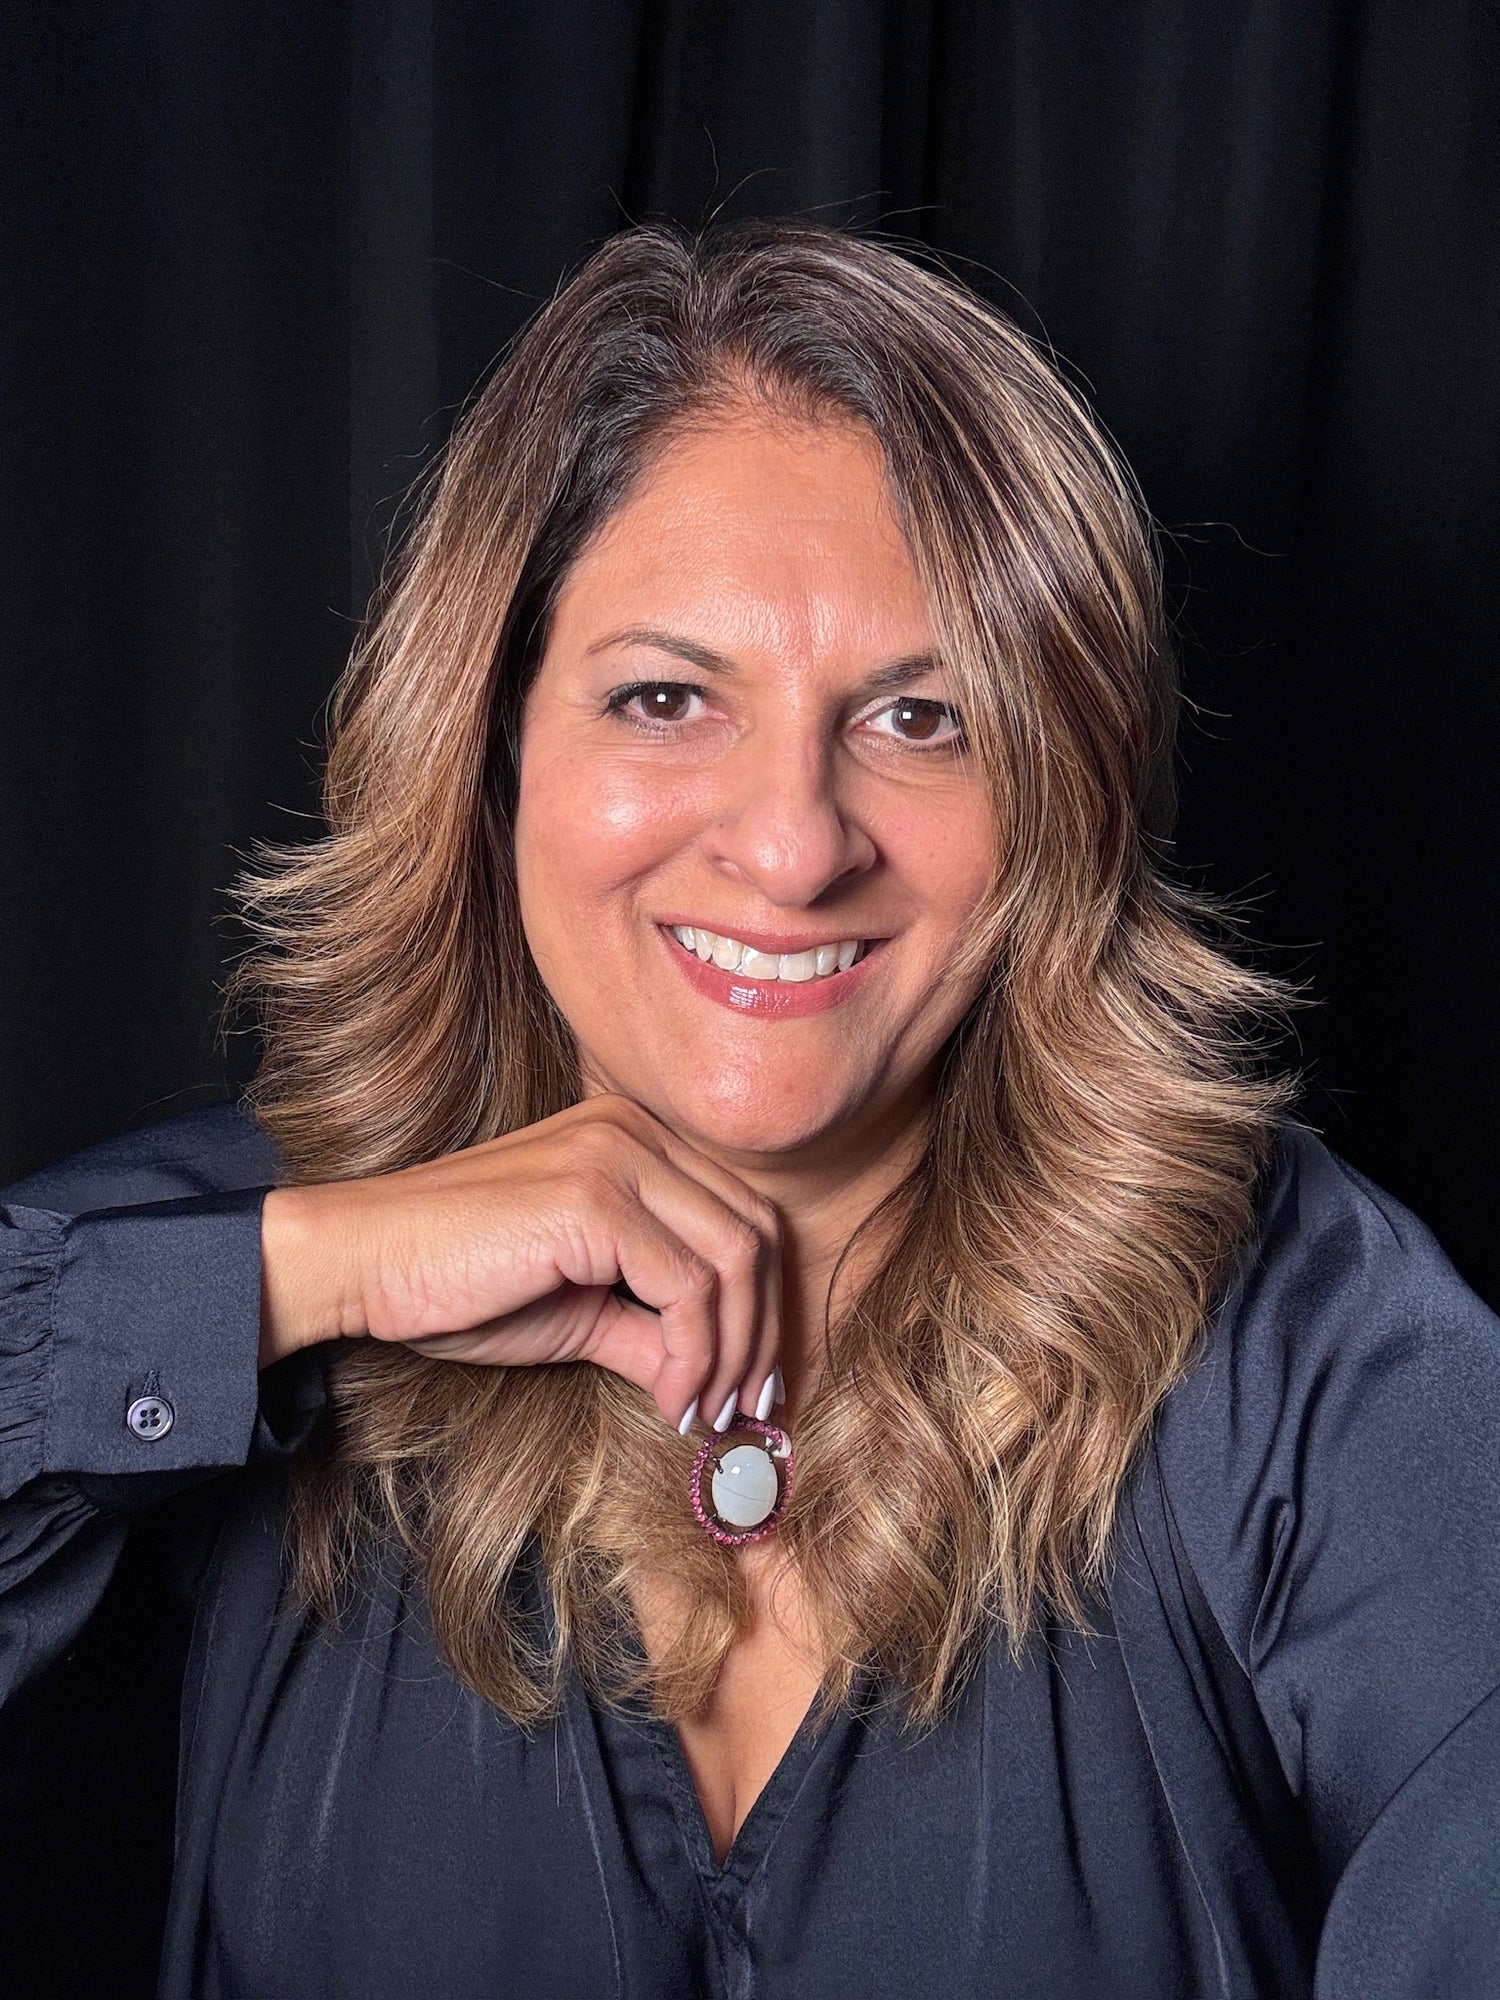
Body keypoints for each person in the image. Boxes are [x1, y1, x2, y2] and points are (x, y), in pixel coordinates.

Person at [3, 219, 1498, 2000]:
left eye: (925, 719)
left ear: (1061, 794)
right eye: (666, 698)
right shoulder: (271, 1242)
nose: (794, 844)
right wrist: (293, 1278)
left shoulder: (1309, 1345)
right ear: (488, 752)